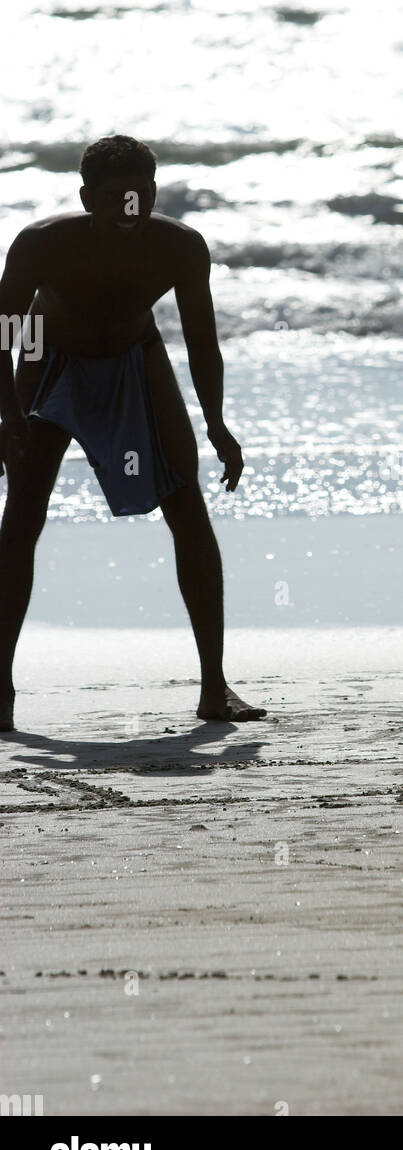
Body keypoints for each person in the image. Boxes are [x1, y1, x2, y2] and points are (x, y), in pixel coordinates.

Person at [0, 135, 265, 730]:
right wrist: (8, 416)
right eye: (114, 197)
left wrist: (217, 422)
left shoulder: (179, 247)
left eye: (139, 196)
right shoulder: (43, 244)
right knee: (22, 513)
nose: (128, 208)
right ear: (87, 197)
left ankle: (214, 687)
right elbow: (6, 331)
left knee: (187, 505)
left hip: (134, 357)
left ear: (153, 192)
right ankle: (0, 689)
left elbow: (201, 340)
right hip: (51, 359)